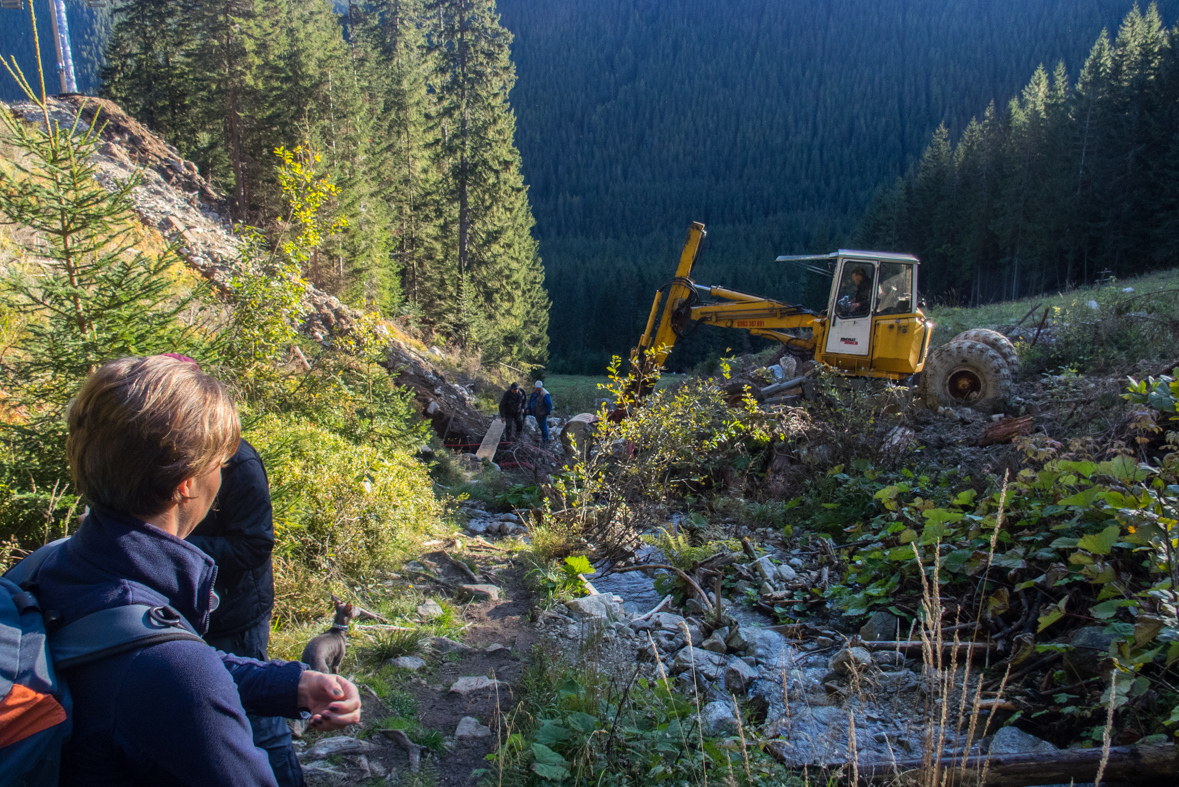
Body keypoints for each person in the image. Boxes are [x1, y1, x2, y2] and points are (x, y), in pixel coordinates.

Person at [30, 355, 361, 786]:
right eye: (218, 465)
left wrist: (288, 685)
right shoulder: (177, 672)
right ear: (186, 482)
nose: (222, 476)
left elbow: (141, 665)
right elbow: (175, 673)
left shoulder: (45, 566)